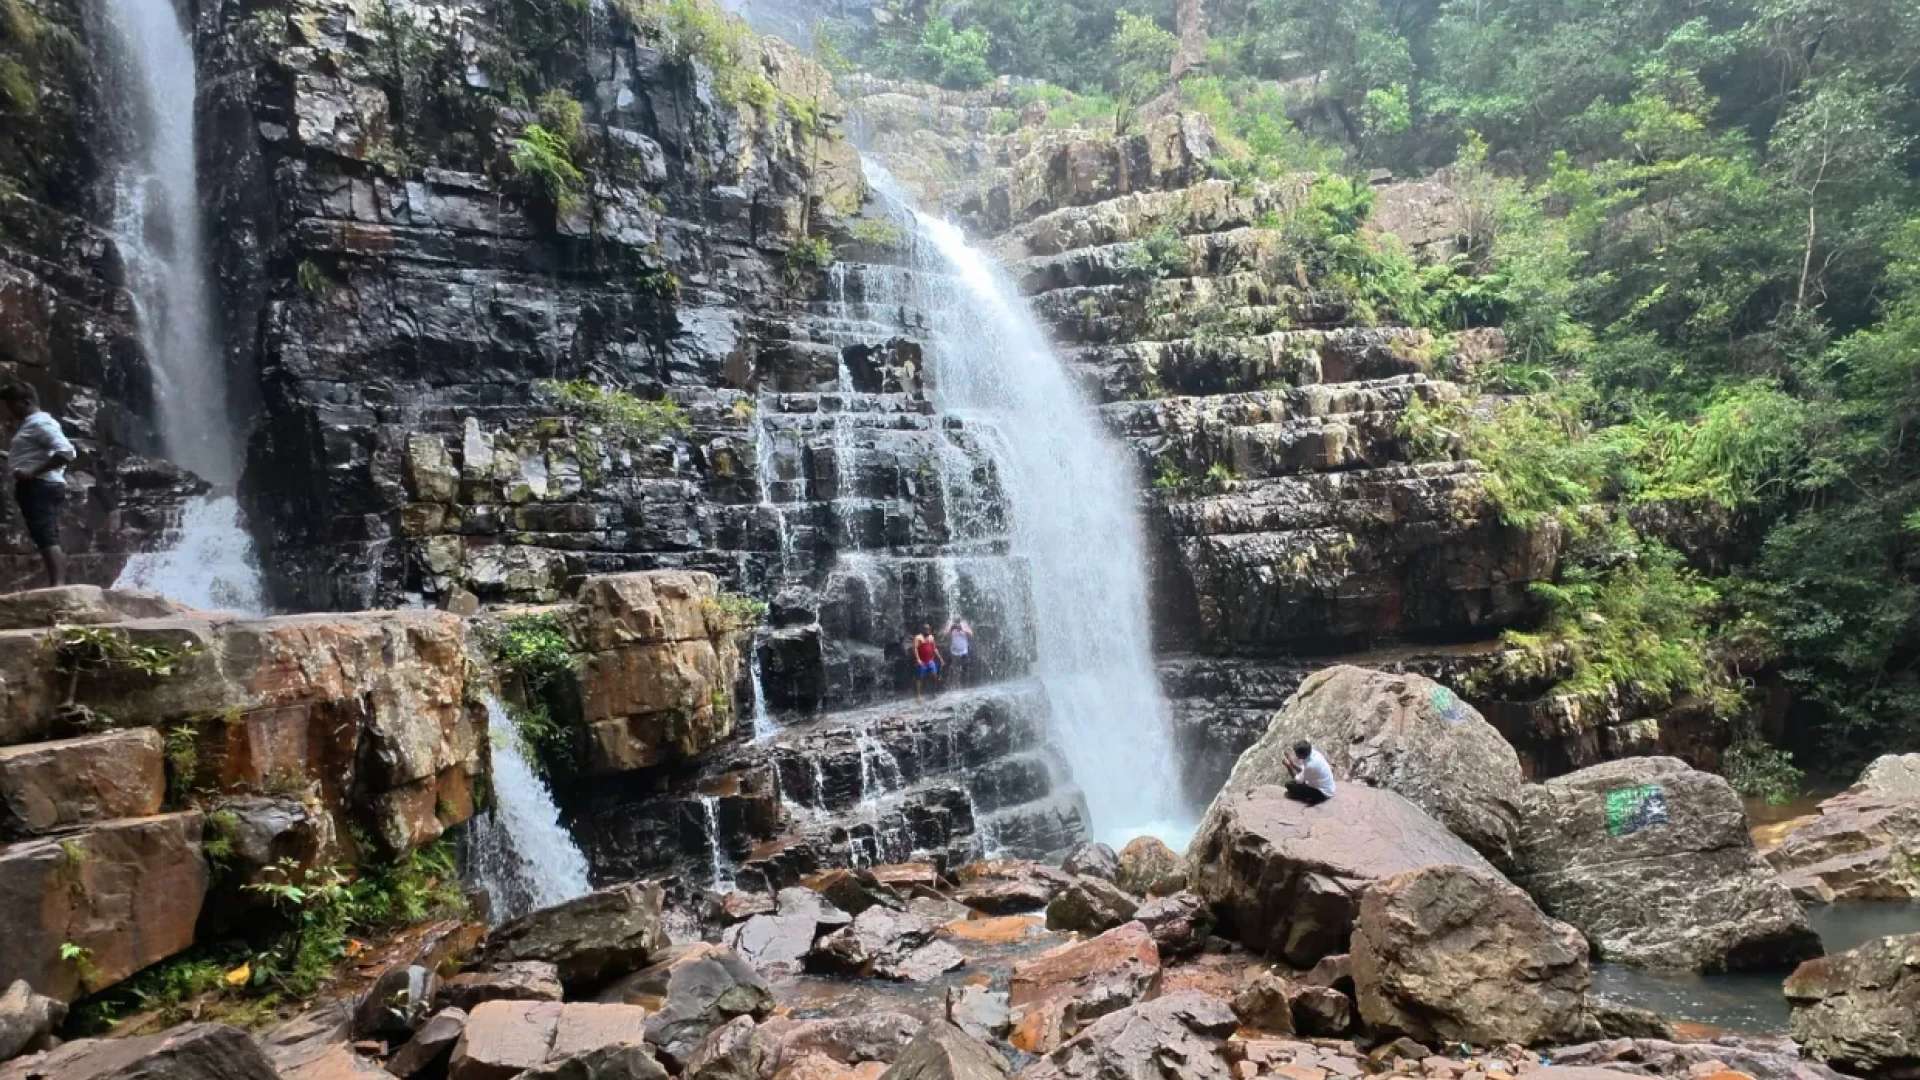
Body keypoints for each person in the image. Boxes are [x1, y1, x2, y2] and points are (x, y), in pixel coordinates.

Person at [3, 383, 74, 587]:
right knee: (44, 534)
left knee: (46, 535)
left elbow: (66, 452)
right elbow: (33, 456)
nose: (8, 410)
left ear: (26, 402)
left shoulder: (40, 423)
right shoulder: (31, 424)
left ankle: (58, 586)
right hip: (38, 484)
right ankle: (57, 584)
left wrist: (33, 472)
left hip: (39, 485)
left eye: (11, 404)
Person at [1282, 739, 1336, 805]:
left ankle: (1310, 798)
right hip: (1329, 787)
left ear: (1302, 755)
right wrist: (1292, 763)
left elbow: (1297, 780)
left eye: (1296, 753)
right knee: (1297, 782)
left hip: (1323, 793)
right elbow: (1303, 770)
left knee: (1289, 785)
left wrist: (1288, 766)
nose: (1296, 755)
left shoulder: (1310, 765)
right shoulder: (1314, 753)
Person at [911, 623, 943, 701]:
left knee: (934, 676)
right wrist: (918, 659)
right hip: (922, 661)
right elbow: (915, 649)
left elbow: (935, 649)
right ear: (922, 629)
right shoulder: (918, 637)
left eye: (928, 629)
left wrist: (940, 658)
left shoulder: (931, 637)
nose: (927, 630)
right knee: (919, 678)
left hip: (930, 661)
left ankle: (933, 692)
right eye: (925, 629)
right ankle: (918, 695)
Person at [946, 617, 974, 687]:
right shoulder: (951, 627)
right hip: (954, 652)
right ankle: (953, 684)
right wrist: (950, 629)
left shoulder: (964, 627)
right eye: (956, 623)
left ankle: (965, 684)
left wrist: (963, 629)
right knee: (953, 669)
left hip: (964, 652)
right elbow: (944, 635)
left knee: (965, 669)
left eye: (958, 623)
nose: (957, 625)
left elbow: (971, 634)